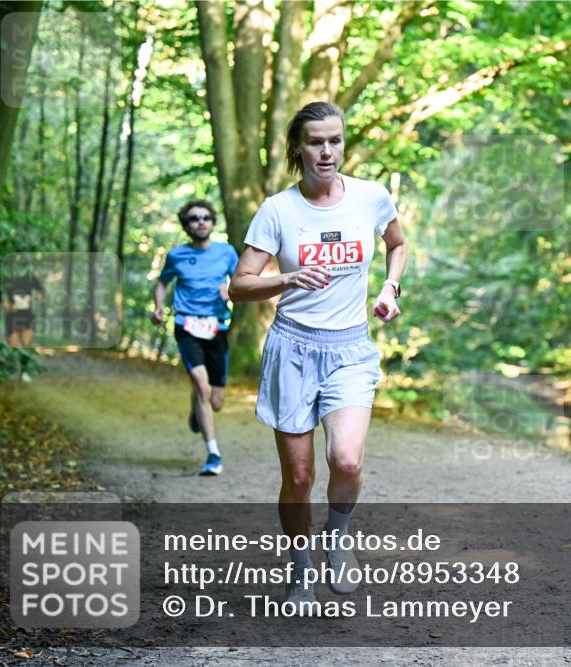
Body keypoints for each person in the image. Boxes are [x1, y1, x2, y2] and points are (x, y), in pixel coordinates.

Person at [229, 101, 407, 609]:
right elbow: (238, 286)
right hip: (293, 349)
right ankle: (300, 570)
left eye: (334, 140)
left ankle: (339, 538)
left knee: (346, 460)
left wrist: (391, 289)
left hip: (350, 347)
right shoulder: (278, 210)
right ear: (297, 148)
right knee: (300, 477)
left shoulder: (371, 197)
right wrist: (286, 278)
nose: (326, 151)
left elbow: (397, 244)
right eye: (315, 142)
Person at [152, 200, 239, 476]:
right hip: (186, 325)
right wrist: (158, 306)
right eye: (193, 219)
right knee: (203, 387)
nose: (200, 222)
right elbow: (162, 282)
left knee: (216, 401)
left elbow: (243, 281)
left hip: (218, 328)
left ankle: (198, 405)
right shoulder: (177, 255)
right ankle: (213, 453)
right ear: (186, 225)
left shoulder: (226, 253)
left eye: (205, 217)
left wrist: (232, 291)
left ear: (212, 223)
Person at [2, 268, 45, 381]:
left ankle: (24, 372)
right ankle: (10, 367)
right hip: (12, 315)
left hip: (27, 315)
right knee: (14, 344)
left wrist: (40, 294)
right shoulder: (6, 275)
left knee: (26, 344)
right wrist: (3, 301)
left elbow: (41, 288)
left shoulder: (30, 276)